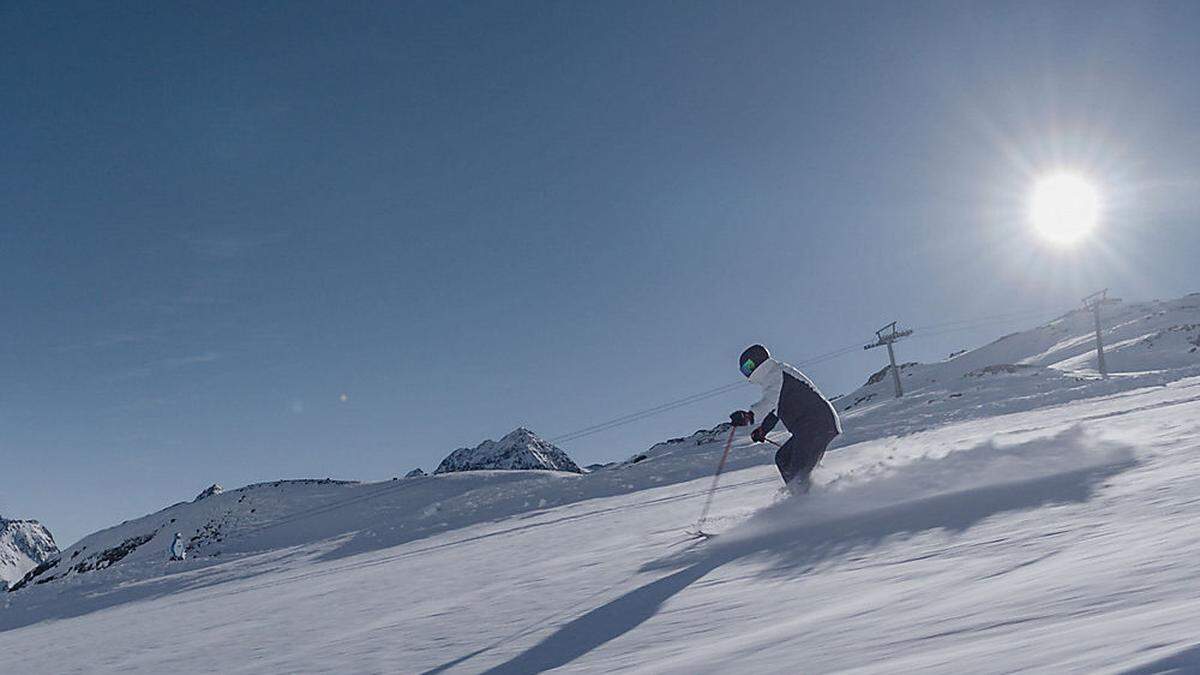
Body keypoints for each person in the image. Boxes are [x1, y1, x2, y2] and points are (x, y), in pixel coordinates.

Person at [730, 344, 841, 492]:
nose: (748, 373)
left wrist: (749, 416)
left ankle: (807, 500)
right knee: (783, 458)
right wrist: (763, 430)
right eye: (744, 370)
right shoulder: (773, 379)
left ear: (758, 361)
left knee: (798, 470)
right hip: (809, 428)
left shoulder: (777, 373)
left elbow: (770, 402)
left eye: (748, 367)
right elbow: (775, 410)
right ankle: (808, 494)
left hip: (818, 423)